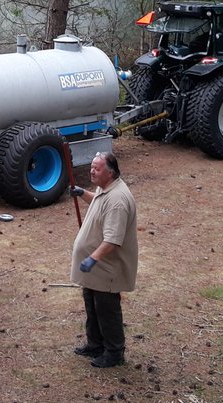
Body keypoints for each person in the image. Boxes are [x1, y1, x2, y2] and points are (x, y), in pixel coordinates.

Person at [68, 151, 138, 368]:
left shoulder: (117, 200)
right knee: (92, 305)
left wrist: (92, 258)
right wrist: (82, 193)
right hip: (96, 270)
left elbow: (113, 240)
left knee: (106, 310)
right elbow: (98, 203)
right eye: (92, 167)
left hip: (106, 268)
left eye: (97, 169)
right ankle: (95, 344)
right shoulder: (106, 188)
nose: (92, 171)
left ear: (111, 173)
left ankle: (115, 352)